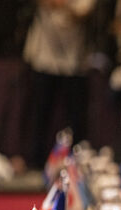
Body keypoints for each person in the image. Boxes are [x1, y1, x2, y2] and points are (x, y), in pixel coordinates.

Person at [23, 0, 97, 168]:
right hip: (44, 55)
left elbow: (85, 9)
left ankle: (77, 163)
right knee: (40, 112)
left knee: (76, 115)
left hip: (74, 58)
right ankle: (35, 162)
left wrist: (60, 4)